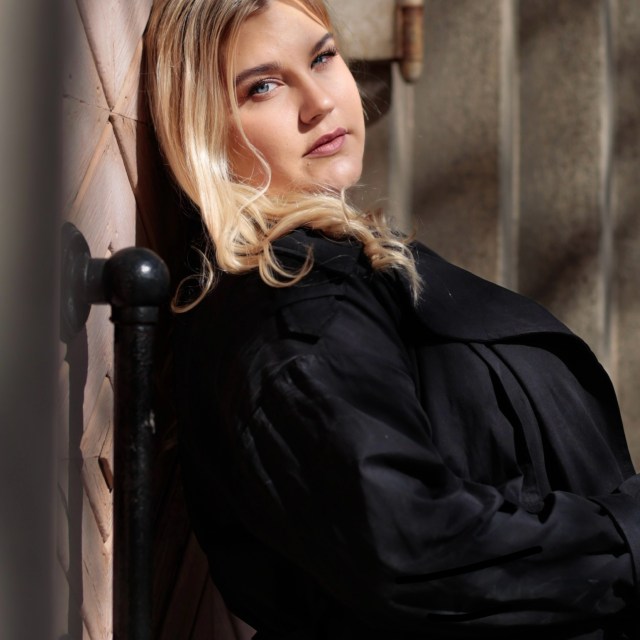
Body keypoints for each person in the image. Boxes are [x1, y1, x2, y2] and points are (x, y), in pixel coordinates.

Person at [144, 0, 640, 637]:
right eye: (262, 87)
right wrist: (626, 537)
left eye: (323, 58)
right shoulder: (288, 307)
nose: (319, 102)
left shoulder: (331, 269)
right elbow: (412, 545)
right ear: (202, 129)